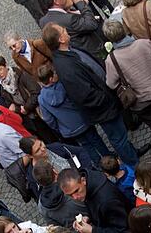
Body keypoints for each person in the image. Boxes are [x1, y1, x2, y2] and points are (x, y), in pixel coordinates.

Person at [43, 23, 144, 166]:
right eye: (63, 30)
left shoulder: (67, 52)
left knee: (120, 135)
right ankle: (135, 164)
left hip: (105, 103)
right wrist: (107, 98)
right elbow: (85, 95)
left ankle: (132, 153)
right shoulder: (66, 66)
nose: (66, 29)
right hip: (103, 109)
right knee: (118, 138)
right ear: (61, 39)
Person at [103, 20, 151, 159]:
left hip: (141, 100)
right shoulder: (144, 43)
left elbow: (111, 84)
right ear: (123, 29)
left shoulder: (111, 60)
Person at [58, 167, 133, 233]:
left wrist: (93, 231)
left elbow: (125, 232)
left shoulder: (107, 200)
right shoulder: (89, 185)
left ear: (83, 180)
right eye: (70, 195)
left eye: (76, 191)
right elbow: (101, 211)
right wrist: (89, 218)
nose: (75, 197)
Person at [40, 0, 107, 54]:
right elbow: (92, 24)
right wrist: (81, 3)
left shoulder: (43, 21)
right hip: (93, 51)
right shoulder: (69, 19)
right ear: (56, 1)